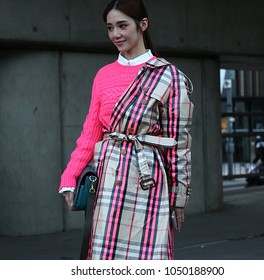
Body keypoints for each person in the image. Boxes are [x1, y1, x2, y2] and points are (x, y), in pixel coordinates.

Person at [59, 0, 194, 260]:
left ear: (143, 25)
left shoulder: (170, 76)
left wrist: (179, 196)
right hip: (108, 175)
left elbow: (179, 144)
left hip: (148, 179)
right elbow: (91, 132)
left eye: (123, 26)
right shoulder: (103, 75)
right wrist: (70, 176)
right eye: (110, 28)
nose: (115, 35)